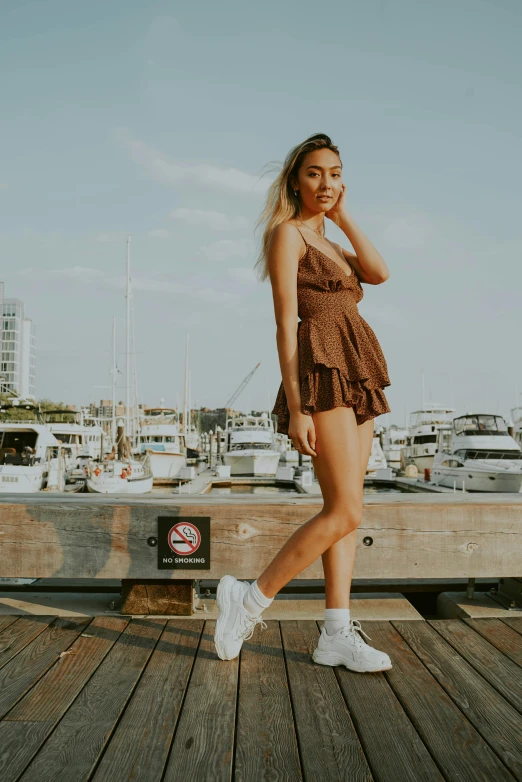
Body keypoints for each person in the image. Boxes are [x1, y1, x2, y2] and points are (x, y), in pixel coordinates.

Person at [214, 133, 393, 673]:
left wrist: (343, 217)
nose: (326, 183)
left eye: (335, 174)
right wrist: (296, 407)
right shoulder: (286, 234)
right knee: (346, 510)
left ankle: (336, 631)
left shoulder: (332, 244)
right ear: (296, 178)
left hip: (357, 368)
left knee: (343, 513)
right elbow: (286, 327)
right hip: (322, 367)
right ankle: (249, 599)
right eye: (315, 173)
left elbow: (380, 272)